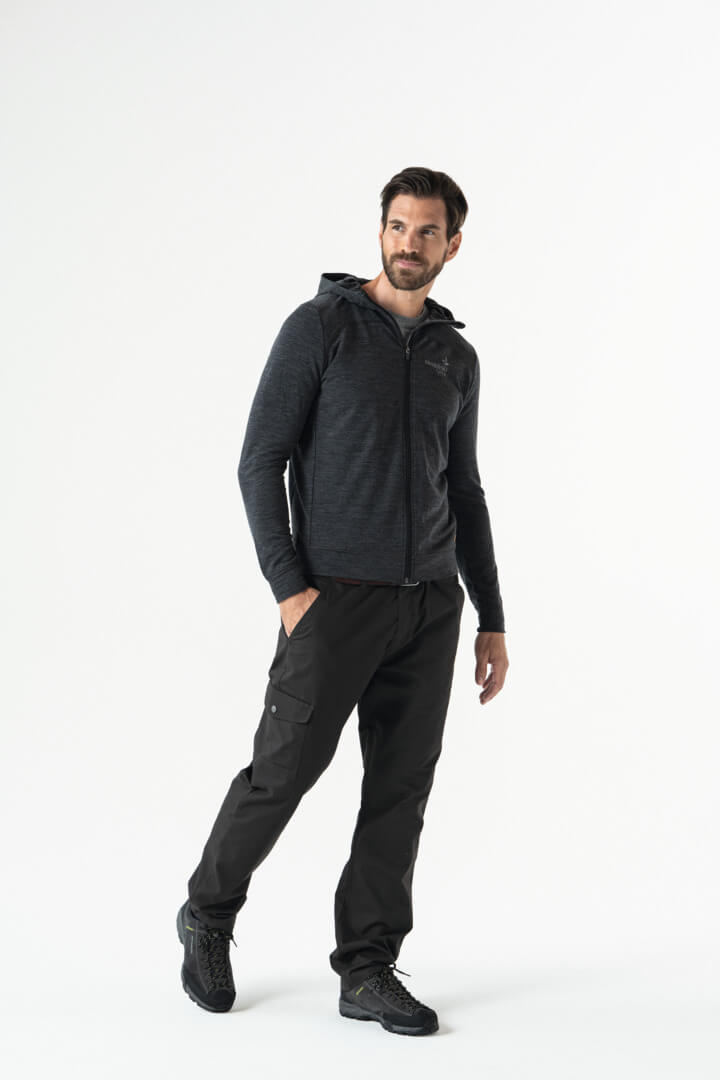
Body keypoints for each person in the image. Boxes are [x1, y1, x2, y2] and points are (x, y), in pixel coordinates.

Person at [177, 165, 509, 1037]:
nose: (410, 243)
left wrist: (491, 616)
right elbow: (259, 461)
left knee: (400, 790)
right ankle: (207, 915)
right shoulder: (320, 327)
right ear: (380, 231)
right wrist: (290, 589)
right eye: (398, 226)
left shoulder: (455, 358)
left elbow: (465, 490)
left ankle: (366, 968)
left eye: (428, 231)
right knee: (283, 773)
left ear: (453, 245)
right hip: (334, 603)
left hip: (429, 605)